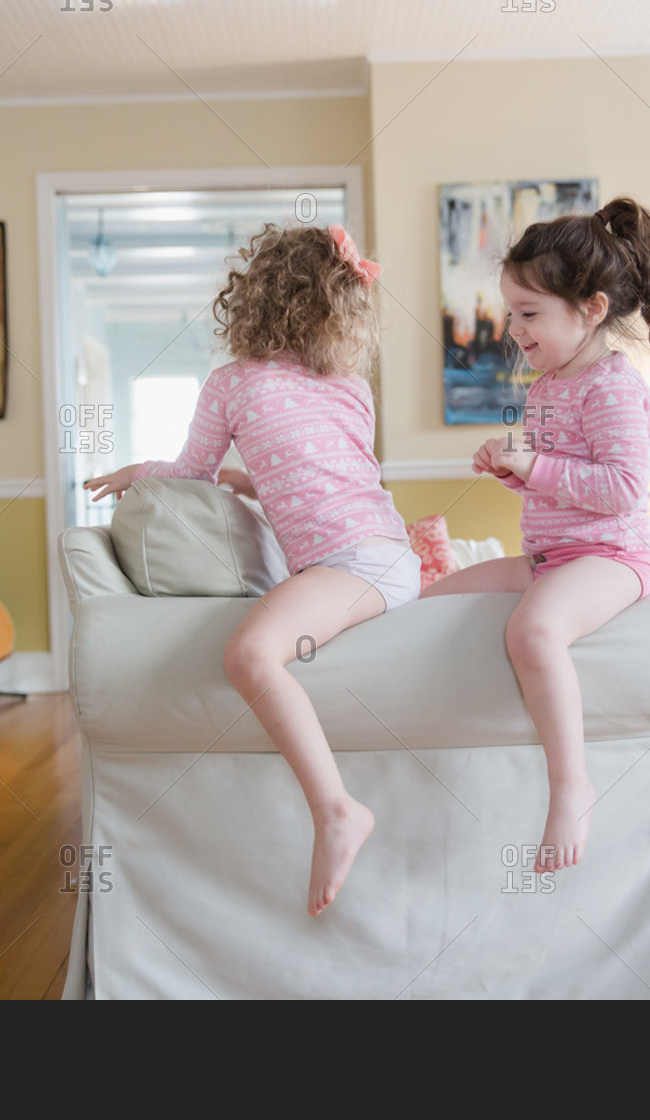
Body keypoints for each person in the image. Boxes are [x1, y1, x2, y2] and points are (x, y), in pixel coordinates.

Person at [83, 224, 417, 916]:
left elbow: (186, 474)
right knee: (257, 650)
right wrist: (249, 479)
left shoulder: (232, 384)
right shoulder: (351, 386)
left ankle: (336, 810)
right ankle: (335, 812)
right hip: (392, 554)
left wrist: (138, 474)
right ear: (340, 309)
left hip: (352, 564)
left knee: (248, 655)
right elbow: (331, 480)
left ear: (254, 297)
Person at [422, 197, 650, 874]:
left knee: (532, 632)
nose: (514, 329)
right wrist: (516, 472)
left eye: (529, 314)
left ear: (591, 309)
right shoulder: (544, 387)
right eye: (511, 313)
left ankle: (572, 785)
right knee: (433, 599)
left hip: (610, 558)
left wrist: (535, 463)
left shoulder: (613, 389)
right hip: (550, 555)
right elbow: (563, 482)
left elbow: (621, 490)